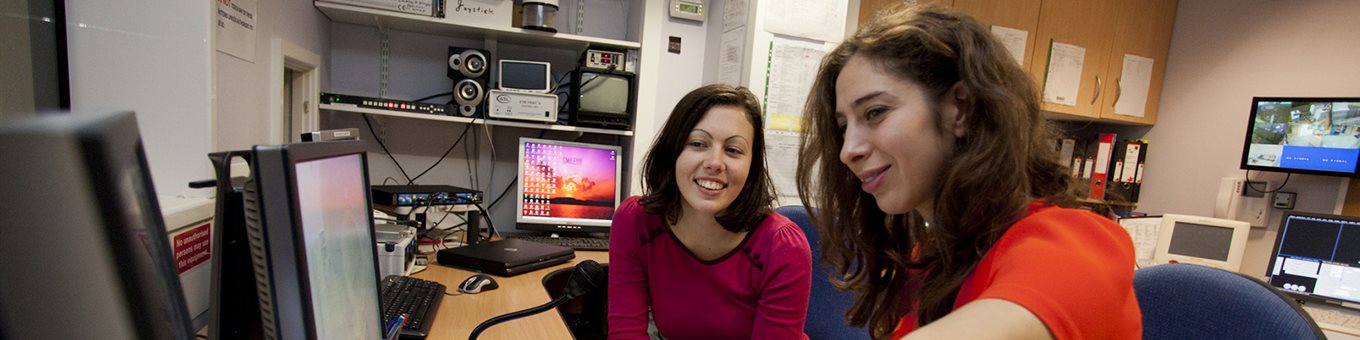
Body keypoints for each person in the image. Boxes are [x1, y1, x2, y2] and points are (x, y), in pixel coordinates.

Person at [795, 6, 1140, 340]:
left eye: (875, 112)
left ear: (960, 108)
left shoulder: (1072, 243)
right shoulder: (935, 257)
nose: (847, 151)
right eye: (843, 128)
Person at [609, 84, 813, 339]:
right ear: (673, 151)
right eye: (697, 143)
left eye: (733, 150)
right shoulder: (636, 221)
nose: (715, 163)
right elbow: (625, 333)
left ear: (752, 165)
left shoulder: (782, 245)